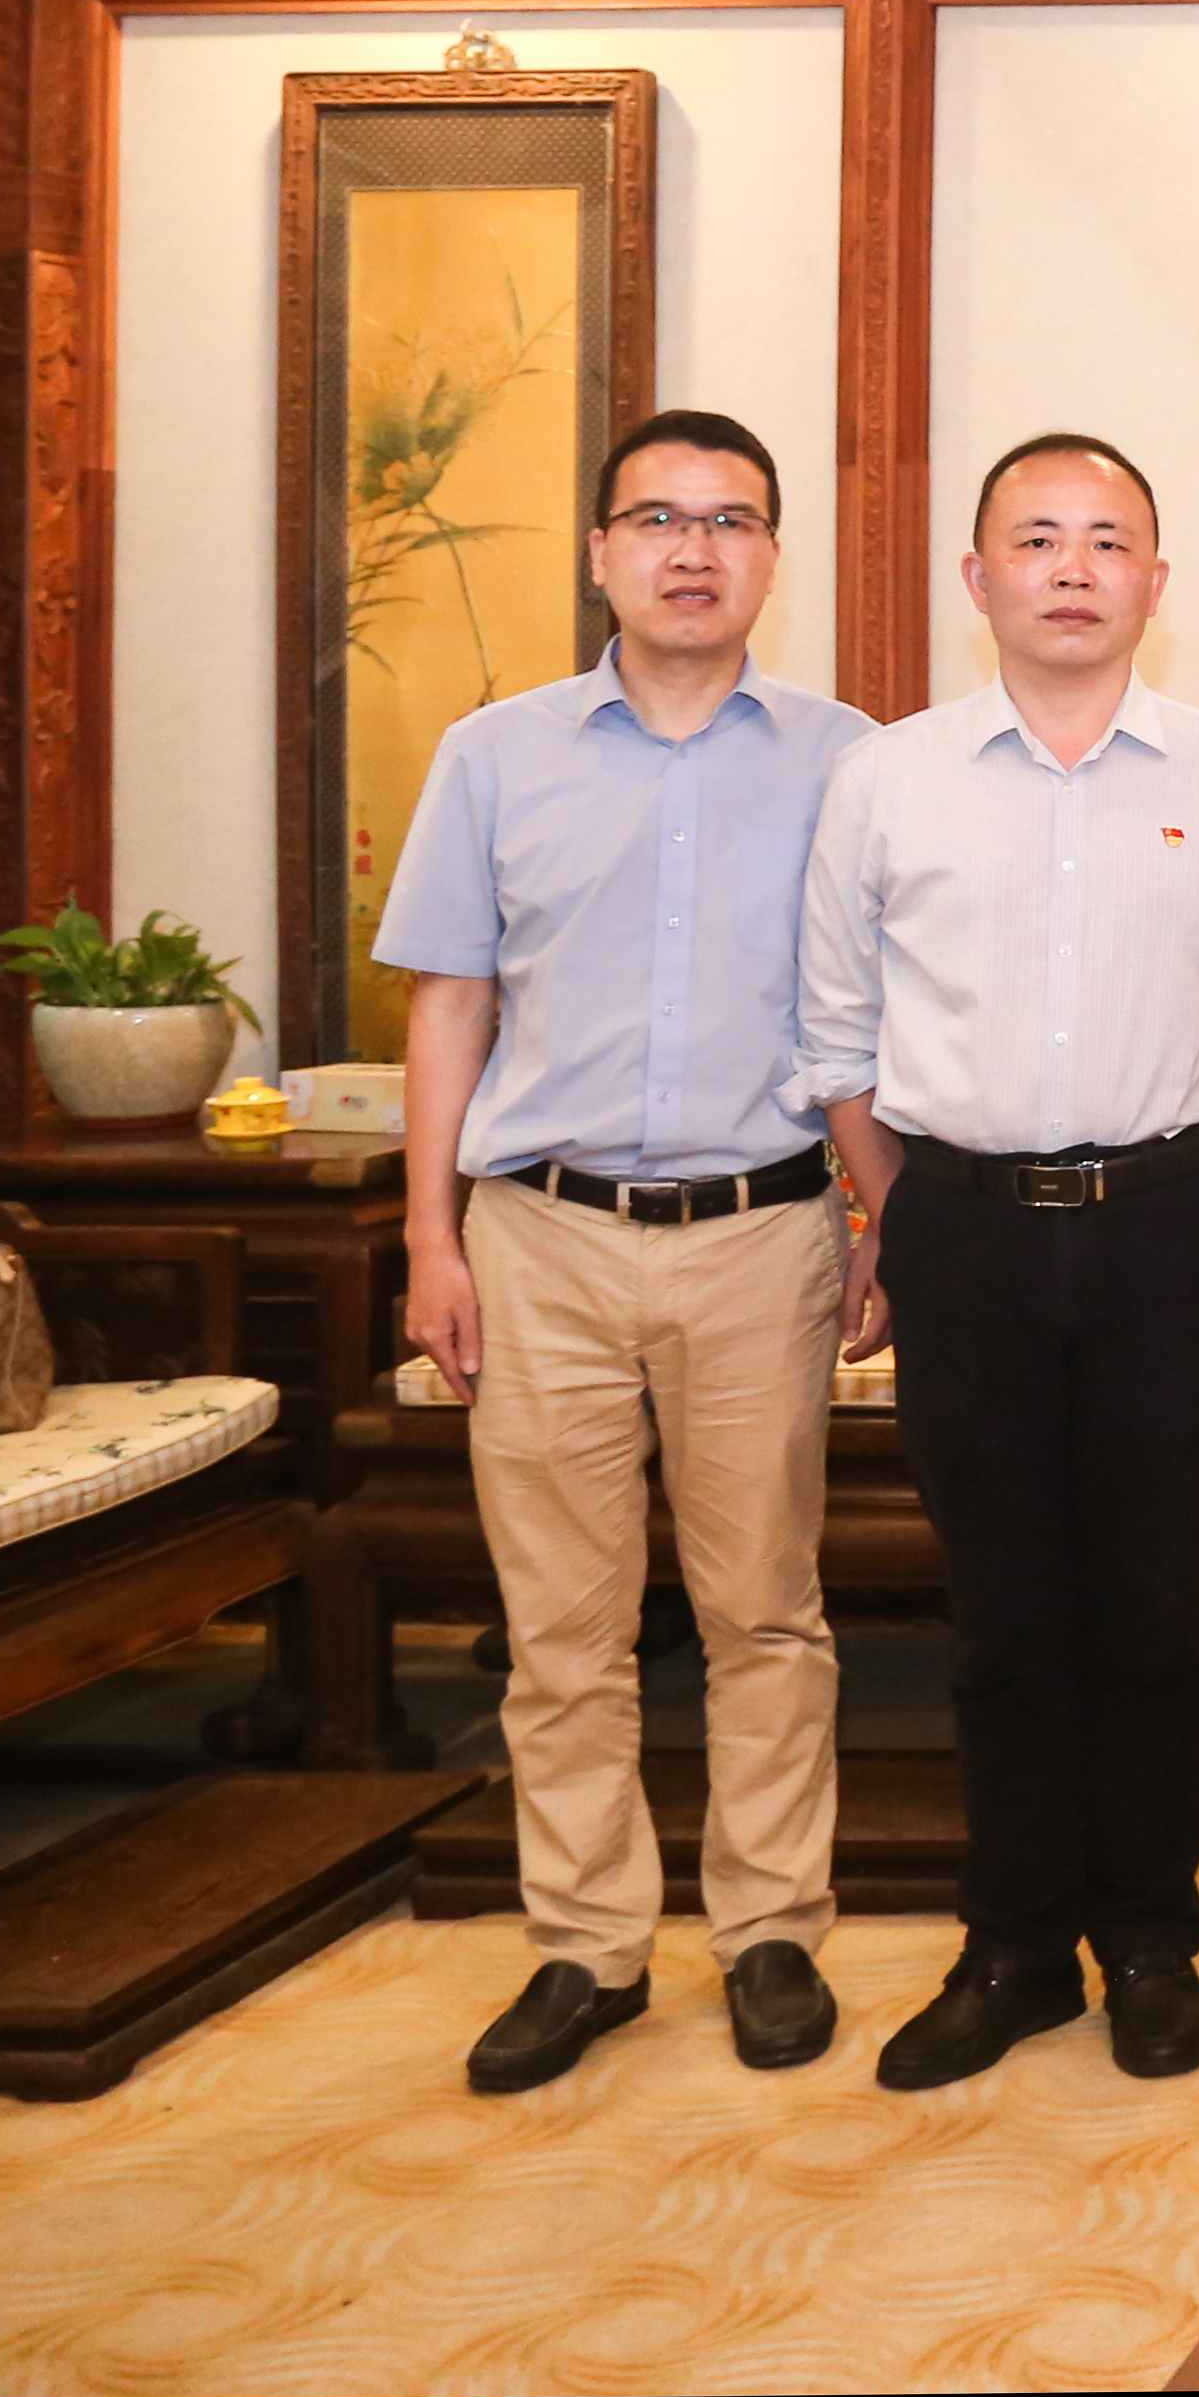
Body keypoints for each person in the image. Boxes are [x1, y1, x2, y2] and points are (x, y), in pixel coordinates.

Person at [800, 433, 1199, 2090]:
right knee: (1004, 1612)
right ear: (979, 576)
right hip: (961, 1227)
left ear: (1156, 580)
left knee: (1155, 1605)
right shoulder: (889, 777)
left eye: (1106, 539)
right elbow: (838, 1033)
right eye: (1037, 538)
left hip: (1171, 1223)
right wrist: (902, 1215)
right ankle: (1013, 1943)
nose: (1073, 567)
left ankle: (1151, 1937)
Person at [379, 409, 874, 2094]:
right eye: (657, 517)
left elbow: (876, 1021)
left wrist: (876, 1212)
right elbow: (449, 1006)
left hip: (764, 1231)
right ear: (600, 550)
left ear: (772, 557)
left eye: (730, 520)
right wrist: (429, 1235)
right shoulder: (494, 755)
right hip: (539, 1238)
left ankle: (771, 1927)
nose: (692, 549)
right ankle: (586, 1945)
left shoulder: (847, 760)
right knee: (561, 1625)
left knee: (766, 1611)